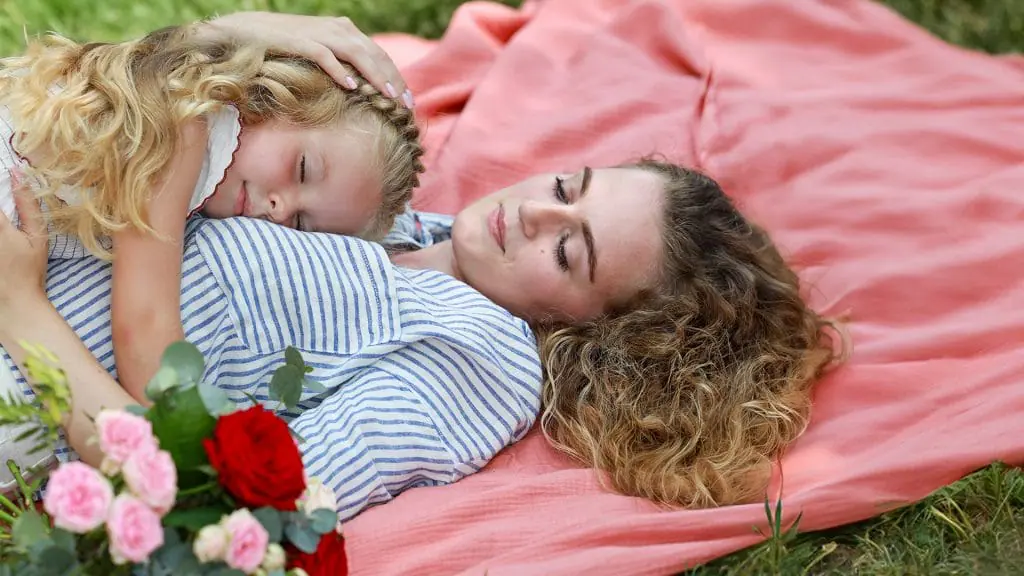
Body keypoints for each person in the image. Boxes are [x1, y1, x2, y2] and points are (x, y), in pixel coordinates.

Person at [0, 12, 845, 512]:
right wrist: (233, 39)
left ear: (602, 329)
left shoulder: (479, 365)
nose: (535, 211)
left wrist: (24, 311)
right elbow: (162, 140)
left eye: (569, 247)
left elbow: (228, 501)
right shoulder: (392, 211)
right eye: (567, 185)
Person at [0, 21, 425, 404]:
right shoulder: (187, 123)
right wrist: (195, 439)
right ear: (277, 98)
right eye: (301, 169)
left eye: (302, 223)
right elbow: (144, 329)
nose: (279, 209)